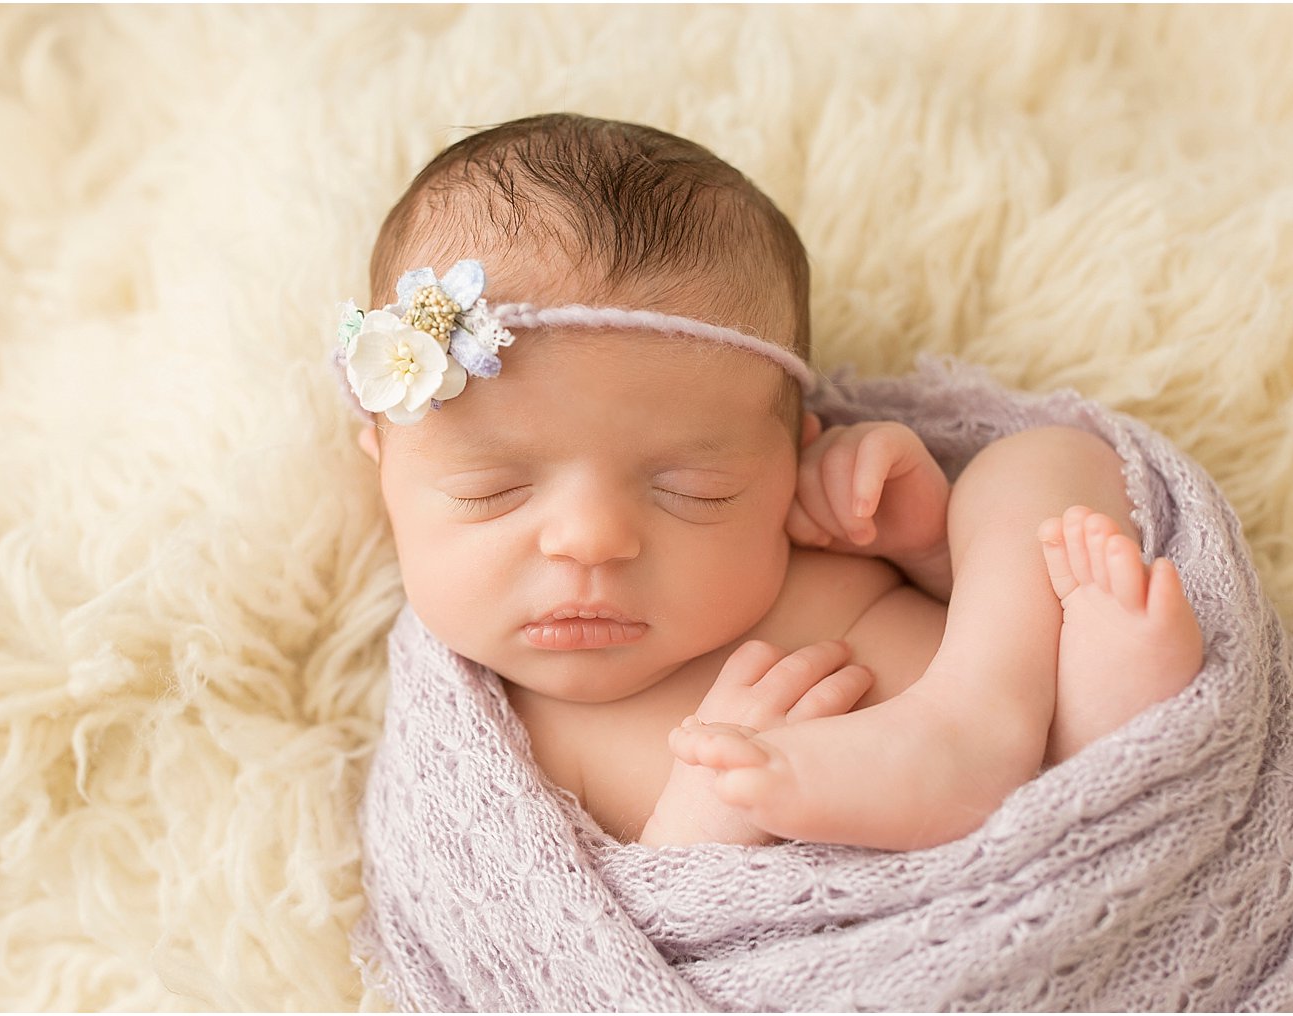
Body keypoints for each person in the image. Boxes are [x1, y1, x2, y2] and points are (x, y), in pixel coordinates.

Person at [336, 113, 1203, 852]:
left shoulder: (799, 542)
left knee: (1048, 460)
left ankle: (1032, 719)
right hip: (920, 914)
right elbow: (607, 946)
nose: (592, 539)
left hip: (1030, 723)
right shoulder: (504, 748)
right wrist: (713, 810)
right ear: (388, 475)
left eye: (696, 489)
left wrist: (926, 542)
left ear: (786, 460)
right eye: (491, 491)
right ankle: (1090, 744)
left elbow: (971, 581)